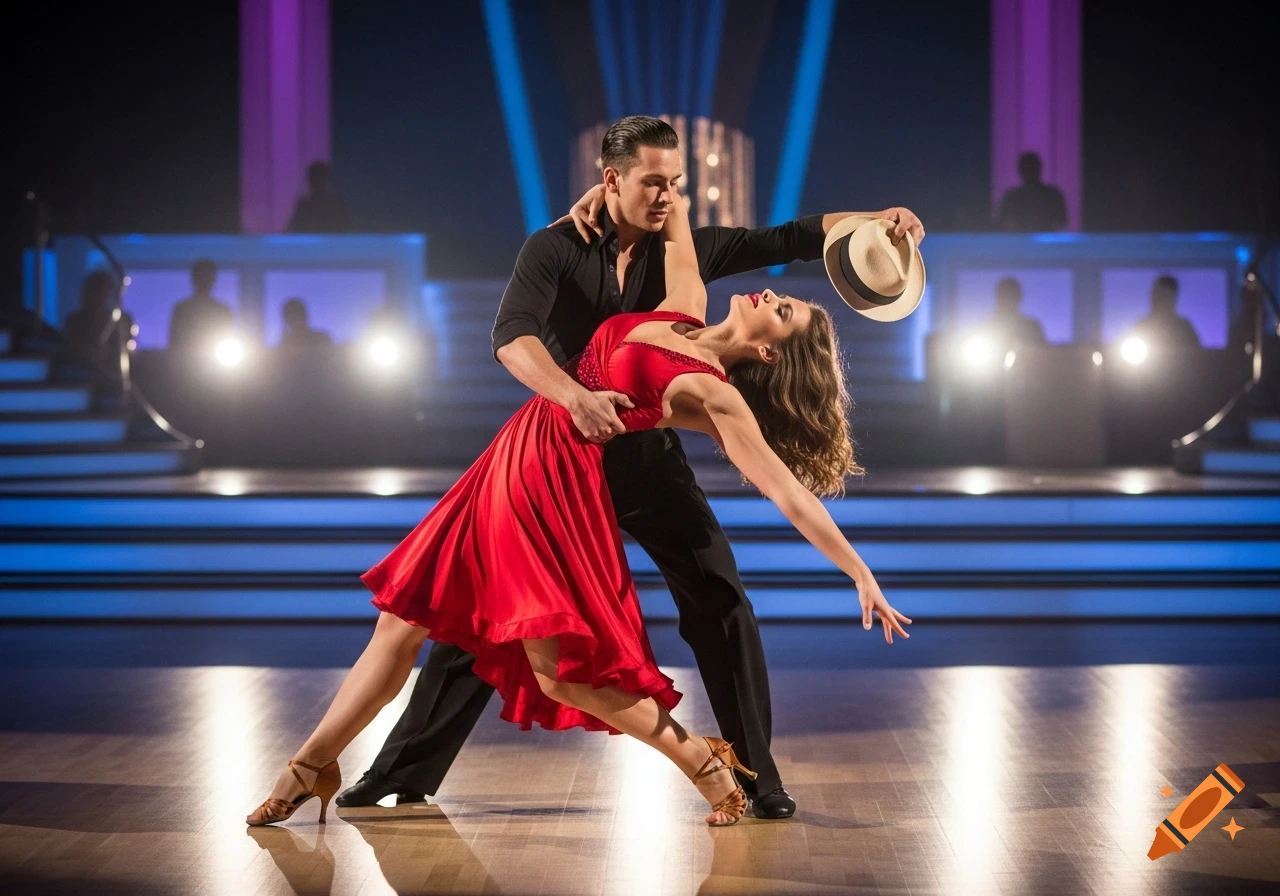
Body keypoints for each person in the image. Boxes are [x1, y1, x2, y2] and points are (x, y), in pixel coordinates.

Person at [245, 168, 912, 829]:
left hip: (561, 489)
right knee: (406, 618)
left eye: (784, 311)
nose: (769, 295)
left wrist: (859, 571)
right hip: (509, 458)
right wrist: (867, 223)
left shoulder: (716, 394)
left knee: (562, 671)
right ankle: (310, 768)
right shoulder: (682, 307)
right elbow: (670, 203)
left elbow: (788, 492)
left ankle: (712, 767)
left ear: (770, 354)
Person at [63, 268, 134, 370]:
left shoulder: (121, 320)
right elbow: (73, 350)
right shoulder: (74, 321)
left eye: (105, 290)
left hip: (113, 376)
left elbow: (124, 349)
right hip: (84, 373)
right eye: (97, 290)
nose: (102, 295)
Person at [168, 259, 235, 351]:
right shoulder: (181, 309)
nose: (205, 281)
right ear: (194, 279)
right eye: (202, 276)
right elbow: (174, 342)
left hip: (214, 362)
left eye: (208, 277)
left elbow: (228, 341)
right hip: (186, 361)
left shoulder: (223, 310)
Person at [1123, 275, 1202, 350]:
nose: (1158, 298)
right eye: (1156, 293)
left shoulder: (1184, 328)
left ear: (1173, 297)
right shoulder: (1141, 325)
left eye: (1165, 295)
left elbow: (1197, 355)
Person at [997, 152, 1067, 232]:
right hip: (1021, 241)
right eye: (1026, 168)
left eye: (1032, 168)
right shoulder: (1011, 196)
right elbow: (1002, 222)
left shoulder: (1054, 194)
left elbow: (1062, 220)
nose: (1029, 172)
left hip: (1045, 241)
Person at [982, 277, 1046, 355]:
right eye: (1005, 295)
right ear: (998, 297)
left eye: (1011, 295)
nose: (1008, 300)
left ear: (1018, 297)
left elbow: (1043, 354)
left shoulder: (1032, 327)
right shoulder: (987, 328)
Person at [288, 161, 354, 233]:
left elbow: (348, 229)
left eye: (320, 177)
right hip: (310, 243)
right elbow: (293, 229)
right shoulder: (304, 205)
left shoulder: (339, 204)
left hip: (334, 243)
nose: (317, 180)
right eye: (315, 177)